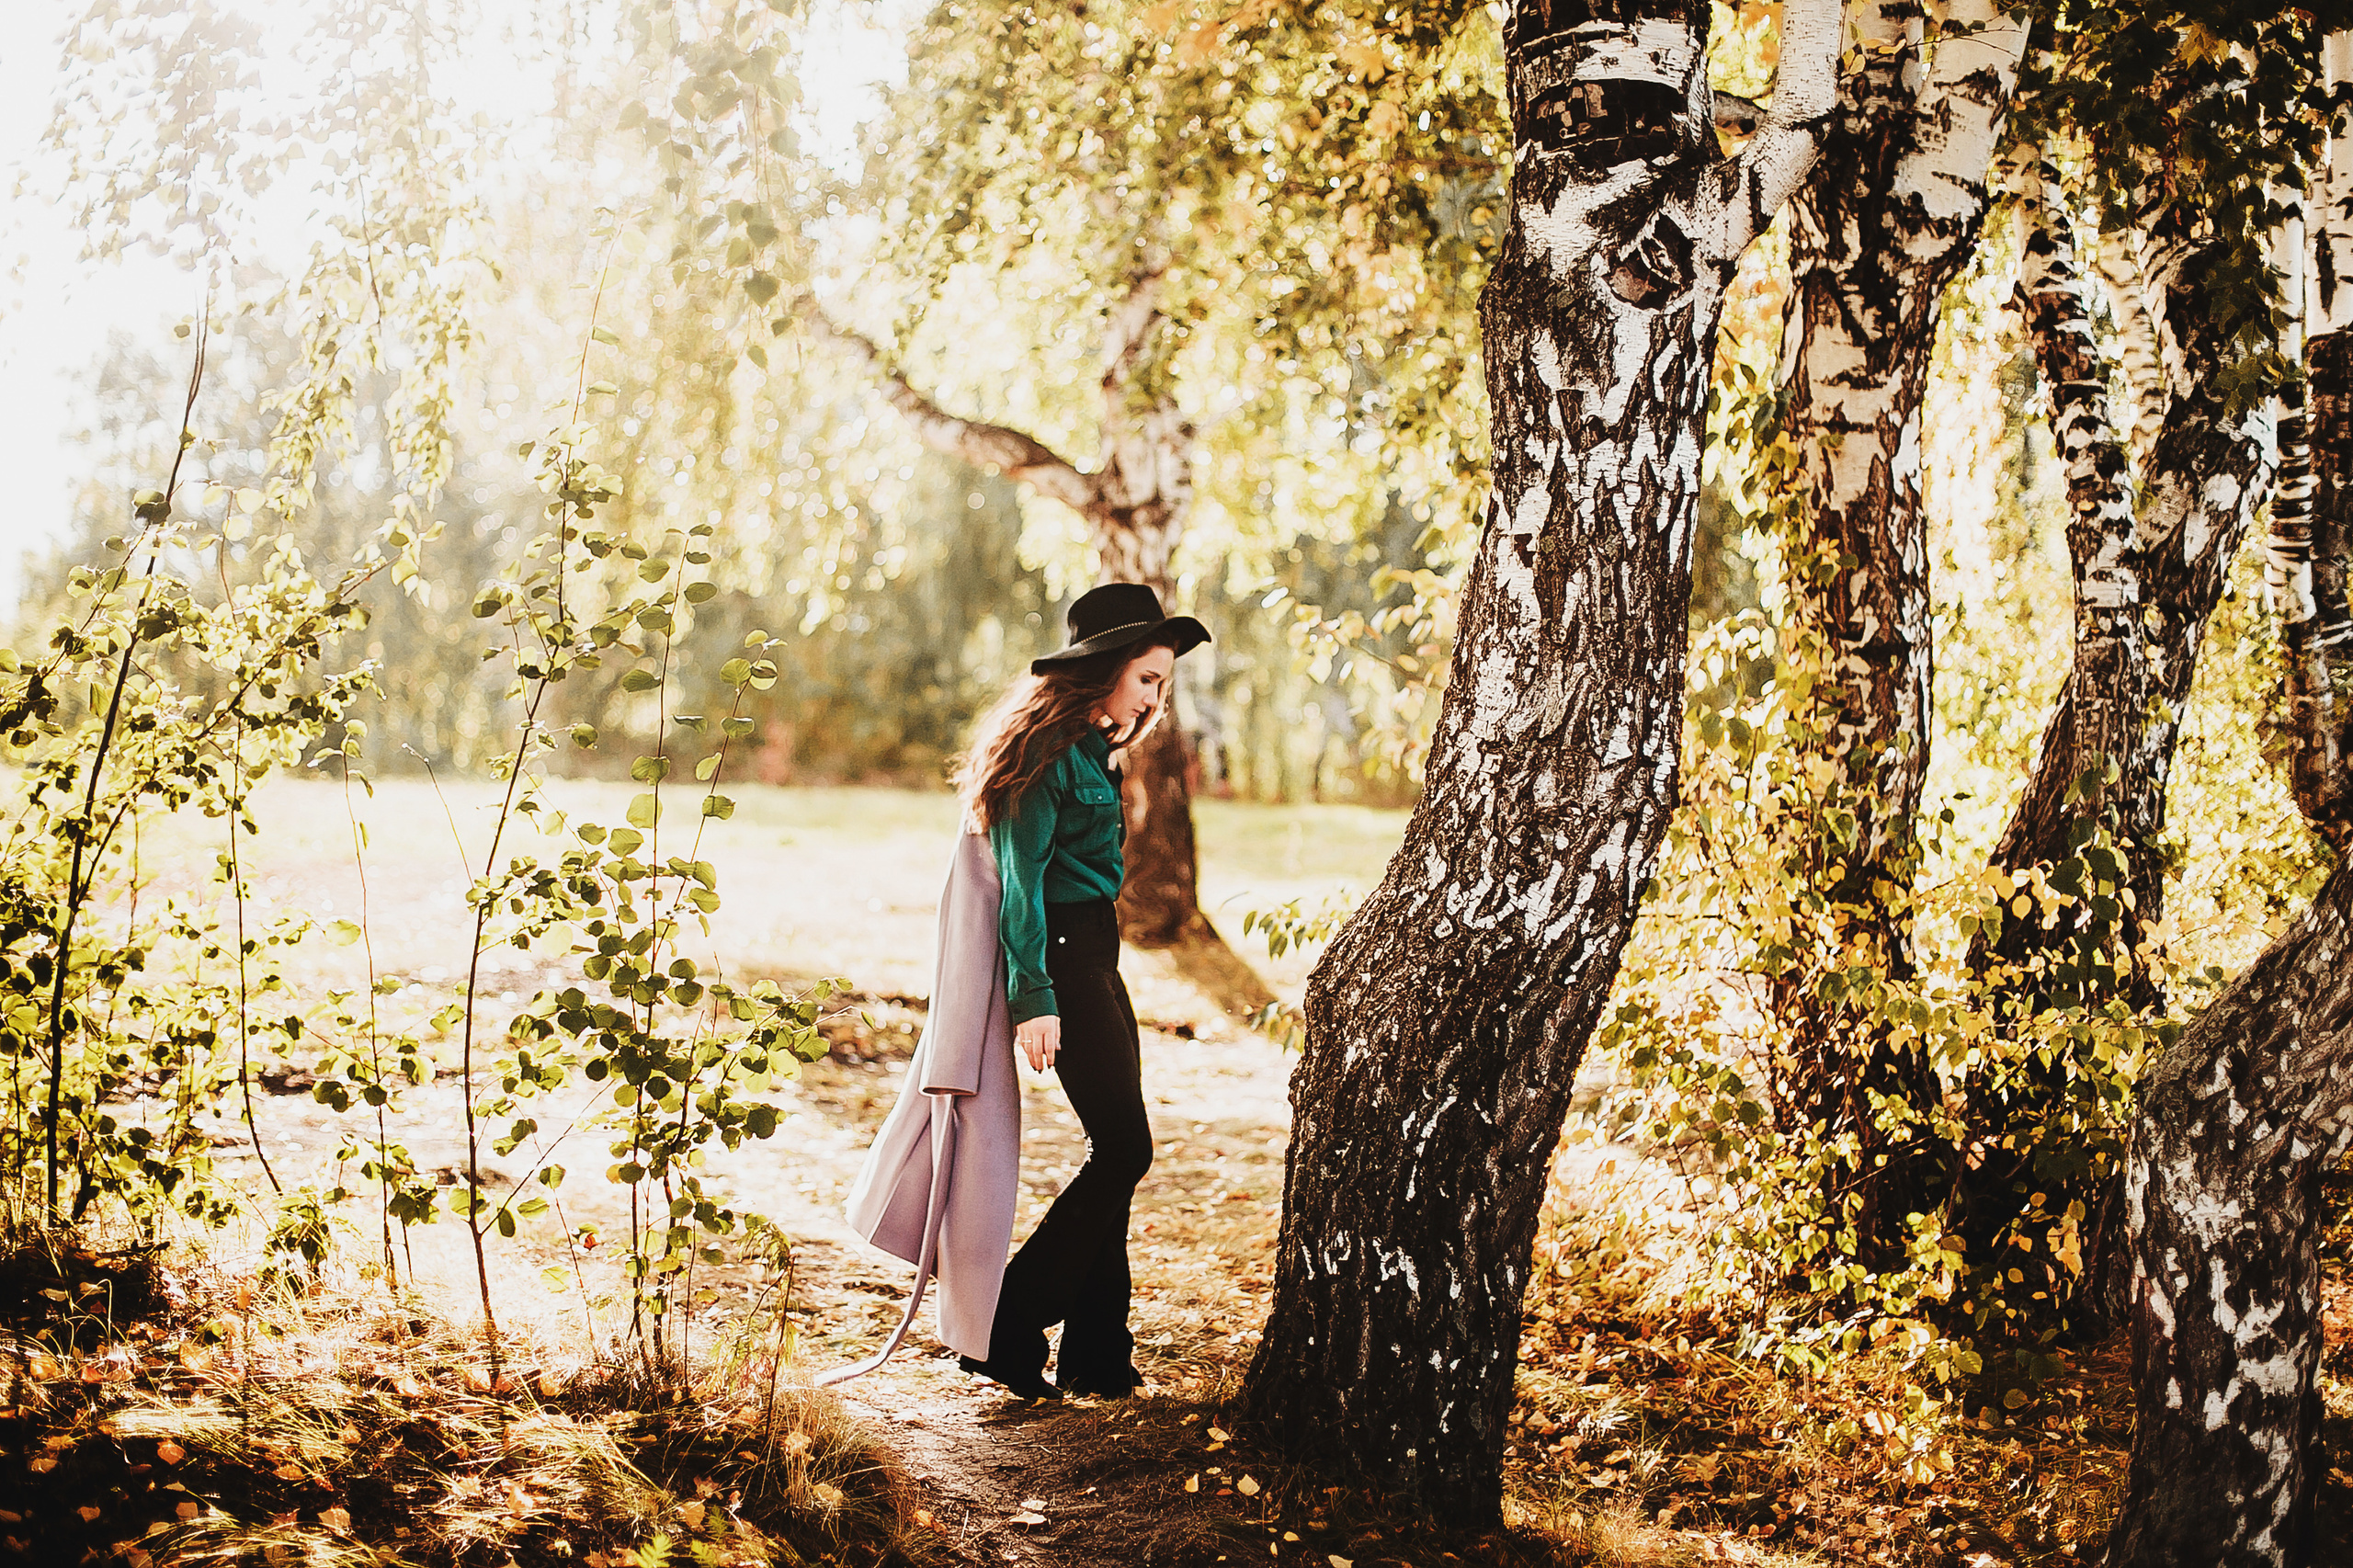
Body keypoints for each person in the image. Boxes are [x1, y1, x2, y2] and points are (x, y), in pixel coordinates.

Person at [949, 582, 1210, 1400]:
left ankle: (1098, 1356)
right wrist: (1034, 997)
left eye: (1163, 683)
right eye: (1147, 679)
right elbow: (1022, 884)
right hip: (1061, 959)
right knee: (1125, 1149)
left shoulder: (1093, 746)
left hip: (1097, 952)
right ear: (1100, 670)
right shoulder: (1046, 755)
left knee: (1115, 1153)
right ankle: (1004, 1323)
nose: (1156, 698)